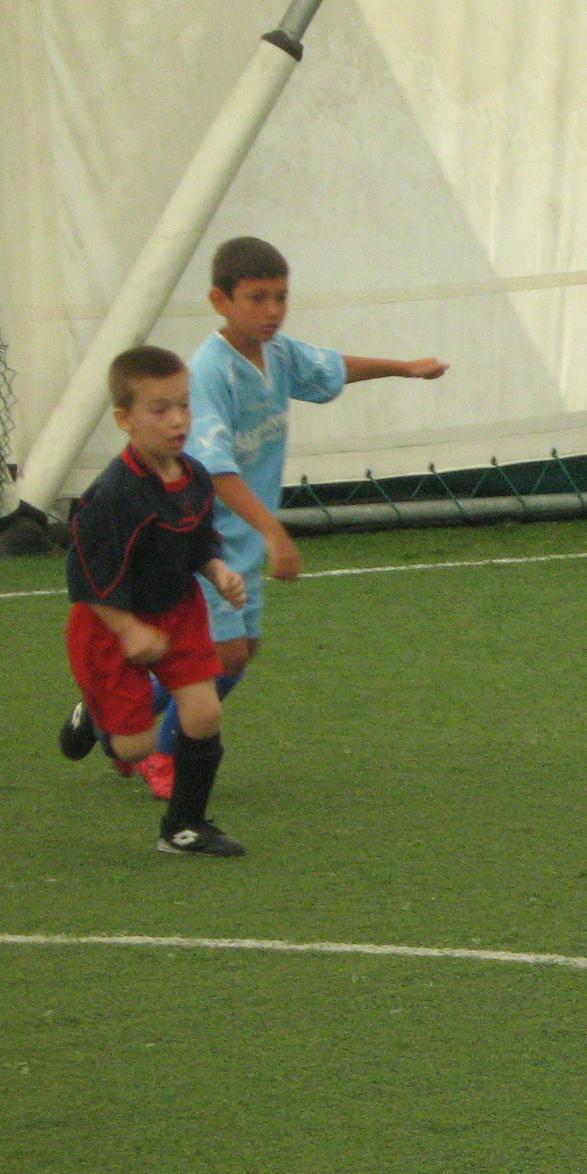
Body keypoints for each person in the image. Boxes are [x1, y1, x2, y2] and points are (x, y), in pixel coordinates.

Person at [136, 236, 449, 799]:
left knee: (241, 653)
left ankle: (118, 706)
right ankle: (163, 755)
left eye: (280, 297)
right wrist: (275, 531)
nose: (273, 310)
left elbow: (330, 367)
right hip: (203, 537)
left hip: (245, 539)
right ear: (220, 301)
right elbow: (215, 470)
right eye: (257, 298)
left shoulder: (276, 354)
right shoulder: (209, 372)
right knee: (224, 655)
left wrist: (404, 368)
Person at [57, 346, 251, 855]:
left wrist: (218, 571)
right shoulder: (112, 496)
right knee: (134, 746)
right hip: (110, 624)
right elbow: (85, 578)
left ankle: (183, 829)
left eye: (184, 405)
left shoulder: (196, 476)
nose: (178, 420)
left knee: (204, 713)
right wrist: (129, 630)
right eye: (160, 409)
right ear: (125, 420)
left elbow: (200, 541)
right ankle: (94, 716)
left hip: (179, 609)